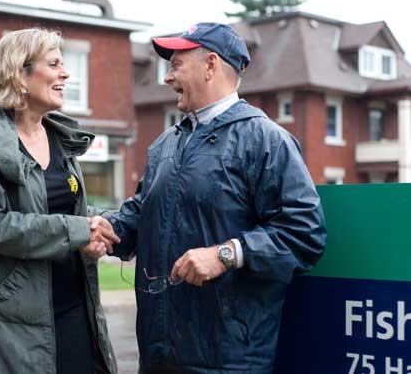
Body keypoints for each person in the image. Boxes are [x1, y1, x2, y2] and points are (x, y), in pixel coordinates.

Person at [109, 22, 327, 374]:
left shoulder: (266, 140)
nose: (167, 77)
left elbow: (304, 234)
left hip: (229, 360)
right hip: (158, 354)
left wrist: (226, 254)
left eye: (176, 65)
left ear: (211, 65)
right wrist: (106, 229)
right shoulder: (164, 145)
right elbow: (140, 214)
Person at [0, 28, 120, 374]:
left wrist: (104, 226)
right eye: (54, 64)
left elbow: (66, 212)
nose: (66, 73)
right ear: (20, 74)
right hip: (4, 322)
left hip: (73, 308)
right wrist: (78, 231)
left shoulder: (60, 138)